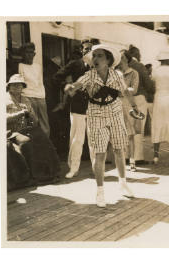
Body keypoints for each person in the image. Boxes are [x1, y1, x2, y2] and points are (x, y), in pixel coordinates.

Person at [71, 44, 139, 208]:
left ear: (108, 60)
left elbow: (126, 92)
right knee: (100, 154)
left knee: (119, 149)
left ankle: (122, 183)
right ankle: (100, 191)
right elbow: (77, 85)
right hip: (96, 115)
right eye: (94, 56)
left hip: (115, 113)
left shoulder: (117, 74)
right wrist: (70, 88)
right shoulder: (89, 75)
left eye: (100, 56)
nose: (95, 59)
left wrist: (134, 108)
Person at [53, 38, 100, 178]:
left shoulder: (100, 67)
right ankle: (73, 168)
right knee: (76, 139)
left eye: (91, 49)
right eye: (86, 48)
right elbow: (56, 77)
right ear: (81, 50)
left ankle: (96, 168)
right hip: (78, 106)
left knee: (94, 139)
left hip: (95, 107)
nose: (88, 51)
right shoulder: (75, 64)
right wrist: (65, 86)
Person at [6, 74, 60, 190]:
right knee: (27, 142)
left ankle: (50, 172)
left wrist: (30, 115)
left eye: (19, 85)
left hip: (26, 129)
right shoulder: (3, 100)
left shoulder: (26, 100)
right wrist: (18, 114)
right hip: (11, 131)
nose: (17, 88)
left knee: (43, 138)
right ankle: (36, 175)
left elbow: (35, 120)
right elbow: (1, 119)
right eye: (14, 85)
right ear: (9, 87)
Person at [125, 45, 155, 165]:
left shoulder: (122, 66)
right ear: (136, 55)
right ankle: (137, 157)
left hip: (126, 99)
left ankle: (127, 156)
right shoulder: (139, 66)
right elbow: (149, 85)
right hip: (139, 98)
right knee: (138, 129)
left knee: (127, 128)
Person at [151, 52, 169, 167]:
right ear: (168, 60)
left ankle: (156, 155)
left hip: (158, 98)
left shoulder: (155, 71)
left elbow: (152, 85)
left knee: (157, 124)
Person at [18, 42, 50, 137]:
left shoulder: (38, 66)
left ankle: (45, 145)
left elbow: (40, 82)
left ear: (34, 54)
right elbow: (21, 83)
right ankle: (34, 146)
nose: (29, 55)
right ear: (23, 54)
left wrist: (42, 95)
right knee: (31, 122)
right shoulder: (20, 66)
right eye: (26, 52)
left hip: (40, 96)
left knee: (45, 123)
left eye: (31, 52)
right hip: (27, 96)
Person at [117, 50, 140, 172]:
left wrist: (121, 90)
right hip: (116, 104)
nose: (119, 60)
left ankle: (132, 161)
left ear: (126, 59)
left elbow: (134, 89)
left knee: (130, 134)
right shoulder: (115, 72)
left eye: (121, 57)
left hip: (128, 103)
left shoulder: (134, 73)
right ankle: (121, 161)